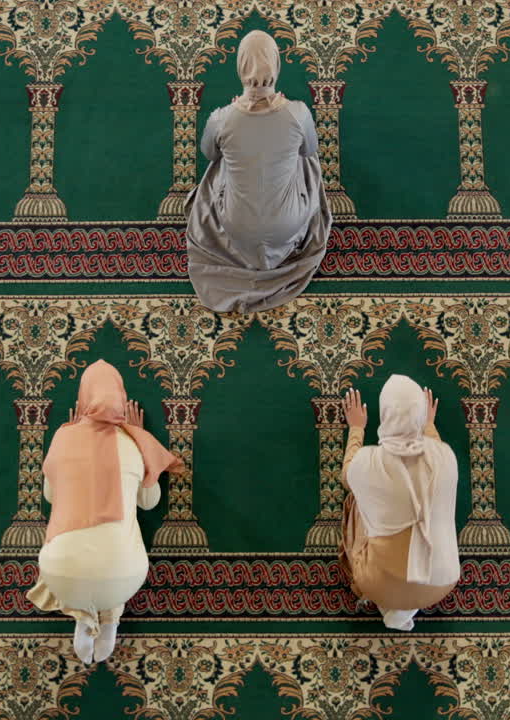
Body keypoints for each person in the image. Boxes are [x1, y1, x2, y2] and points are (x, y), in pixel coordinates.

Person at [26, 360, 182, 663]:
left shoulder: (63, 437)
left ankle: (83, 615)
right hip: (125, 577)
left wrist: (68, 443)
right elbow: (148, 503)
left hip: (60, 575)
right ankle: (110, 617)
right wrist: (141, 438)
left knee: (68, 540)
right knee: (121, 534)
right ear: (121, 399)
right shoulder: (135, 443)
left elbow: (49, 496)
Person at [185, 29, 332, 313]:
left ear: (241, 66)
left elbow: (208, 154)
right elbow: (310, 149)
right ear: (275, 64)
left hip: (235, 226)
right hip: (287, 225)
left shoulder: (221, 117)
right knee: (305, 159)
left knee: (222, 163)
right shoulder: (298, 112)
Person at [338, 376, 461, 630]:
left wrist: (357, 428)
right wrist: (428, 425)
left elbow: (346, 475)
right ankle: (406, 605)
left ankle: (391, 601)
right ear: (420, 414)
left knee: (356, 499)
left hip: (379, 586)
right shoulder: (445, 457)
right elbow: (434, 445)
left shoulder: (368, 463)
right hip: (441, 585)